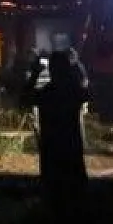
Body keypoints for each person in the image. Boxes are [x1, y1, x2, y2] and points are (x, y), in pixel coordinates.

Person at [31, 50, 89, 206]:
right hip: (71, 147)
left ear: (51, 70)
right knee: (76, 193)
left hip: (51, 149)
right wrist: (76, 65)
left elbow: (24, 98)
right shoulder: (74, 91)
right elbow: (87, 89)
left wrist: (34, 74)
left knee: (53, 193)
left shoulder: (46, 93)